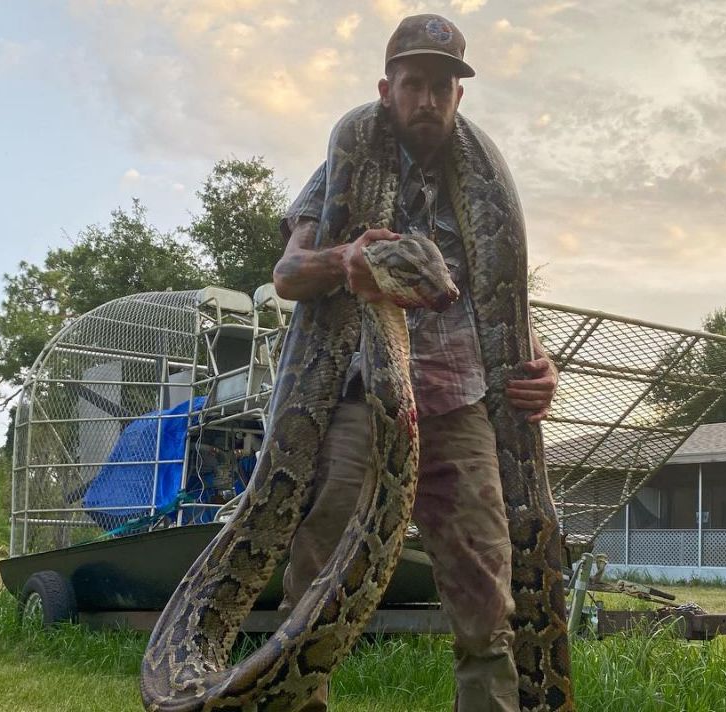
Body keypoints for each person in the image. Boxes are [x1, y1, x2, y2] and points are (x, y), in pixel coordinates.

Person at [272, 14, 561, 712]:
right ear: (387, 87)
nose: (428, 99)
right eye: (414, 85)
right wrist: (345, 259)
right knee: (316, 578)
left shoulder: (486, 180)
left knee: (486, 595)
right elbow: (288, 275)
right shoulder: (345, 156)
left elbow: (498, 303)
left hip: (459, 403)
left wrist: (536, 360)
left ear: (459, 96)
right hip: (357, 397)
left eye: (442, 87)